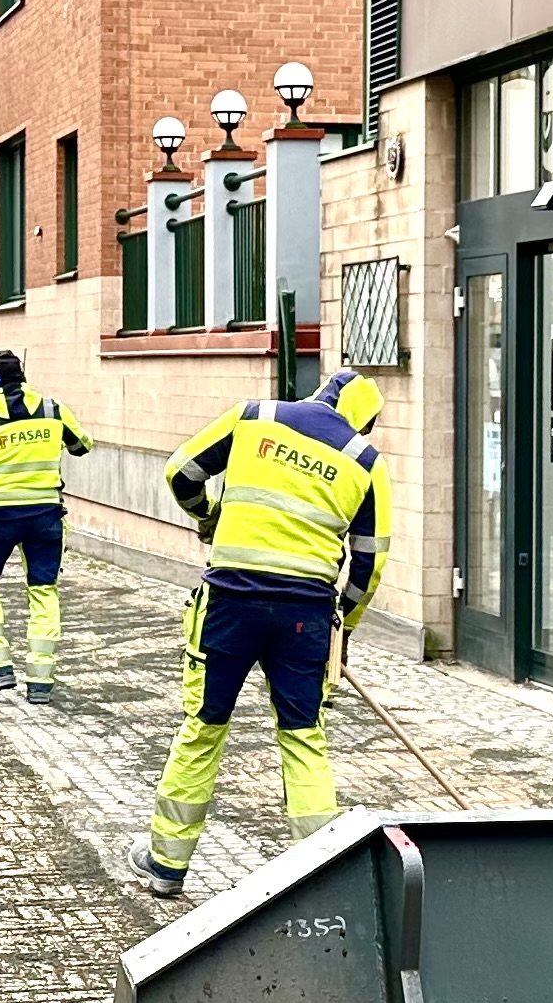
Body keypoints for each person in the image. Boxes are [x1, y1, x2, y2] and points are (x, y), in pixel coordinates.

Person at [139, 370, 387, 899]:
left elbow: (181, 473)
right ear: (363, 421)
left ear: (319, 395)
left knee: (204, 726)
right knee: (303, 738)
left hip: (230, 603)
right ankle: (319, 875)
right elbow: (370, 561)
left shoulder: (256, 416)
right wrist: (343, 624)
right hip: (305, 616)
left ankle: (166, 863)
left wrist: (210, 517)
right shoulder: (366, 461)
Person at [0, 349, 92, 703]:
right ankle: (41, 683)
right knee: (44, 591)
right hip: (45, 518)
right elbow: (82, 446)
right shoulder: (53, 410)